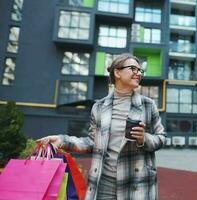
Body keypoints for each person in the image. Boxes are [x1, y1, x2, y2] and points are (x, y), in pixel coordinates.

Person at [37, 53, 166, 200]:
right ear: (117, 72)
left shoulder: (148, 105)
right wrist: (62, 140)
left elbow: (162, 138)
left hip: (136, 183)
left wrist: (144, 139)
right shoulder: (98, 107)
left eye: (140, 70)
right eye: (133, 69)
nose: (138, 73)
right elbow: (92, 142)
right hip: (104, 183)